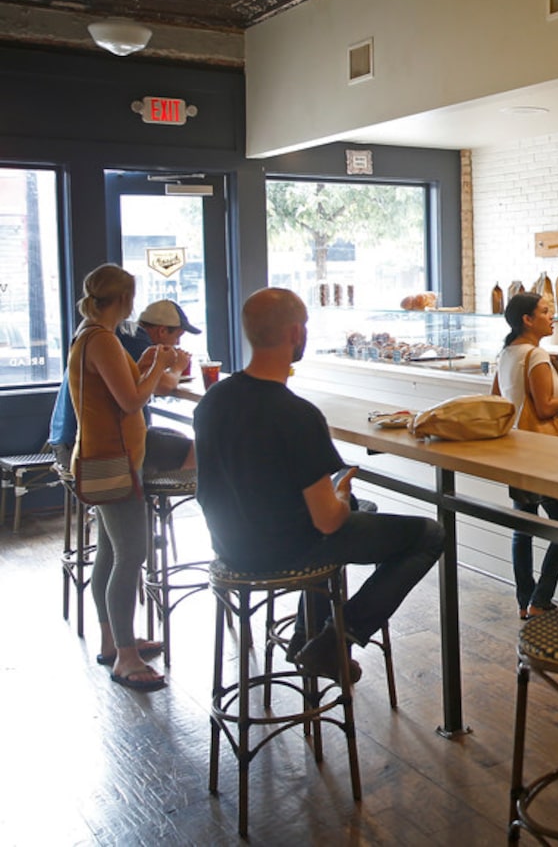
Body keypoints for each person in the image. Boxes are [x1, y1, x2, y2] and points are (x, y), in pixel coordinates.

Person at [193, 288, 443, 681]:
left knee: (363, 510)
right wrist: (339, 494)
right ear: (296, 333)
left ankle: (304, 636)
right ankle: (333, 642)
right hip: (284, 551)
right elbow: (328, 521)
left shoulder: (213, 400)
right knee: (428, 534)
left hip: (230, 545)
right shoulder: (297, 415)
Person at [67, 265, 191, 691]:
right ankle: (125, 657)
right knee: (131, 555)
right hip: (114, 460)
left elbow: (119, 388)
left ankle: (113, 639)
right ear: (123, 300)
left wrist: (147, 362)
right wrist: (159, 369)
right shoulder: (100, 339)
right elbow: (133, 399)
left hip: (103, 456)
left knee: (110, 551)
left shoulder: (91, 335)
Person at [492, 291, 558, 619]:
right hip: (541, 453)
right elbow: (545, 408)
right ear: (527, 320)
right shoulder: (537, 356)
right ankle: (540, 599)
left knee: (523, 526)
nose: (551, 317)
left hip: (515, 449)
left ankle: (525, 601)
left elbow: (495, 400)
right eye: (545, 312)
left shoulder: (506, 353)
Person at [49, 297, 197, 470]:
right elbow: (163, 387)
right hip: (89, 449)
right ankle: (151, 493)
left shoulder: (113, 334)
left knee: (175, 436)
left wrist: (148, 366)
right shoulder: (132, 336)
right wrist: (177, 368)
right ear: (162, 331)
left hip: (71, 441)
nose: (178, 344)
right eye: (177, 336)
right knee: (199, 449)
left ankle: (151, 495)